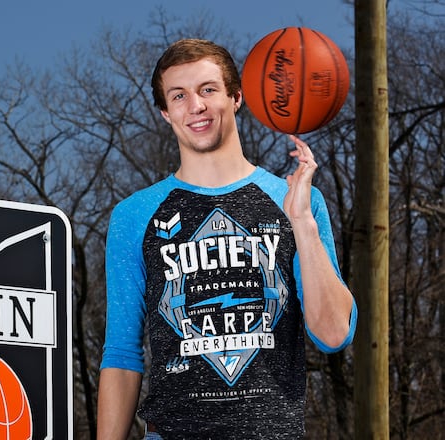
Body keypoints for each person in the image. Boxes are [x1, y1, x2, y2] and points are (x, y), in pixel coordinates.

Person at [96, 38, 357, 439]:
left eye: (207, 90)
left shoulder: (295, 201)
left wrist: (302, 221)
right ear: (166, 113)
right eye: (178, 96)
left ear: (236, 97)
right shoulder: (134, 216)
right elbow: (121, 355)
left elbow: (334, 335)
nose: (195, 106)